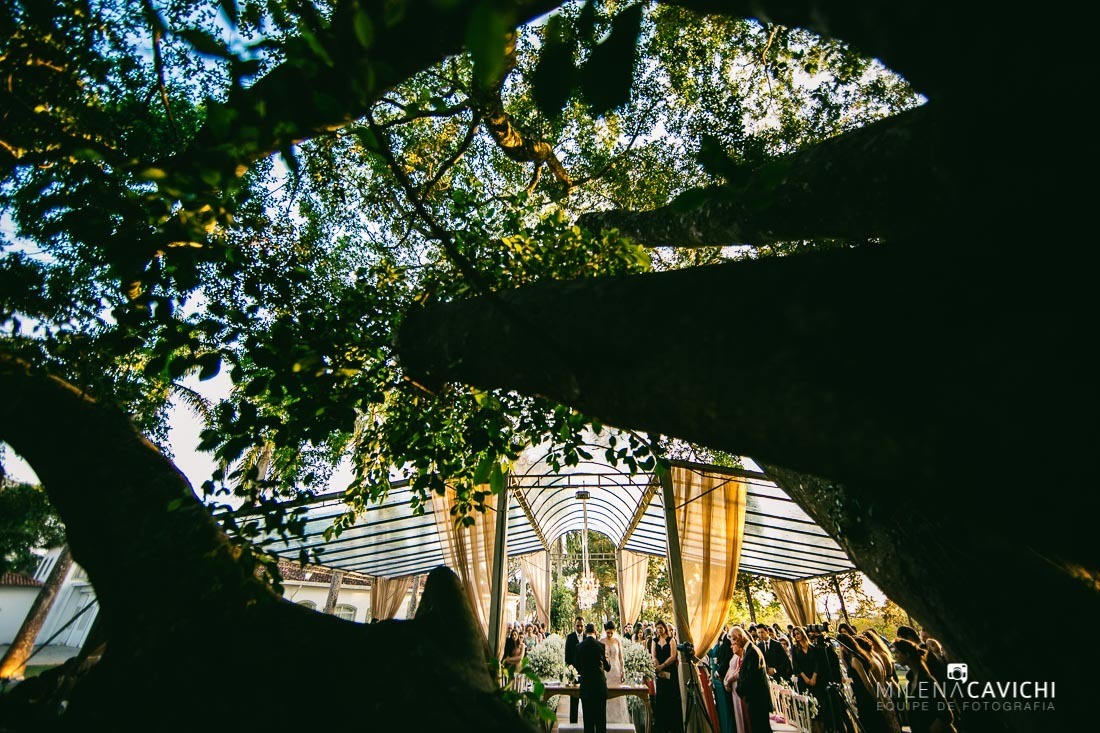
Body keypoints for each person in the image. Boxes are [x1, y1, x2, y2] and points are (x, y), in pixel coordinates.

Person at [893, 639, 957, 733]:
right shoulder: (910, 683)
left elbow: (946, 715)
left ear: (907, 654)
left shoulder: (927, 680)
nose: (895, 656)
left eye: (897, 652)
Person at [730, 626, 772, 733]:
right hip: (755, 699)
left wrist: (740, 690)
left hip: (758, 700)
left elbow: (750, 677)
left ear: (740, 637)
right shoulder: (749, 650)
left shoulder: (752, 652)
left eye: (734, 639)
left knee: (761, 729)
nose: (733, 643)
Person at [576, 623, 612, 733]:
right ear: (595, 632)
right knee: (600, 722)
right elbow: (607, 667)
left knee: (588, 722)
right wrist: (608, 659)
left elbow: (577, 666)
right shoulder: (601, 646)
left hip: (586, 687)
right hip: (599, 687)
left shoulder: (579, 646)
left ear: (585, 633)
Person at [650, 619, 684, 733]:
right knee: (661, 697)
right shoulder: (654, 641)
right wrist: (657, 665)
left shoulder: (671, 640)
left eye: (661, 628)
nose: (659, 630)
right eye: (657, 628)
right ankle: (662, 725)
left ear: (665, 628)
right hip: (660, 672)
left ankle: (673, 725)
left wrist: (663, 665)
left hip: (670, 670)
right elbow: (653, 655)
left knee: (671, 697)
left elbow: (673, 656)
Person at [722, 634, 749, 733]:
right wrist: (725, 680)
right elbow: (730, 667)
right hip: (733, 687)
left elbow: (739, 671)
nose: (731, 646)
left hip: (739, 685)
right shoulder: (735, 655)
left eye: (733, 644)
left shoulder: (742, 655)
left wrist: (729, 680)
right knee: (738, 714)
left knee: (743, 714)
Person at [565, 616, 585, 724]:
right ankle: (573, 724)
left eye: (581, 626)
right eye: (578, 626)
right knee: (574, 699)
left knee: (586, 699)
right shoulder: (570, 637)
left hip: (585, 673)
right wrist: (570, 671)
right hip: (574, 673)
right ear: (574, 626)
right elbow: (567, 656)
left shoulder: (587, 637)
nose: (580, 628)